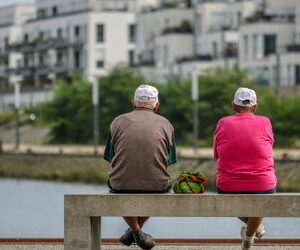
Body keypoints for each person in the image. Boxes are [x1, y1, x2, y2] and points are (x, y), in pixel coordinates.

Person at [103, 84, 177, 250]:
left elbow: (109, 156)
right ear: (156, 106)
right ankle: (137, 232)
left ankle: (134, 232)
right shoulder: (166, 124)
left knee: (119, 187)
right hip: (157, 186)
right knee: (161, 185)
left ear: (133, 103)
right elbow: (170, 160)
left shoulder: (116, 122)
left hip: (120, 185)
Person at [213, 87, 277, 250]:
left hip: (228, 186)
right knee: (260, 200)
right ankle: (251, 234)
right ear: (255, 107)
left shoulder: (223, 122)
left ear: (233, 106)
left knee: (233, 200)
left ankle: (251, 234)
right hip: (264, 185)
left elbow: (216, 155)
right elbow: (267, 148)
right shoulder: (265, 121)